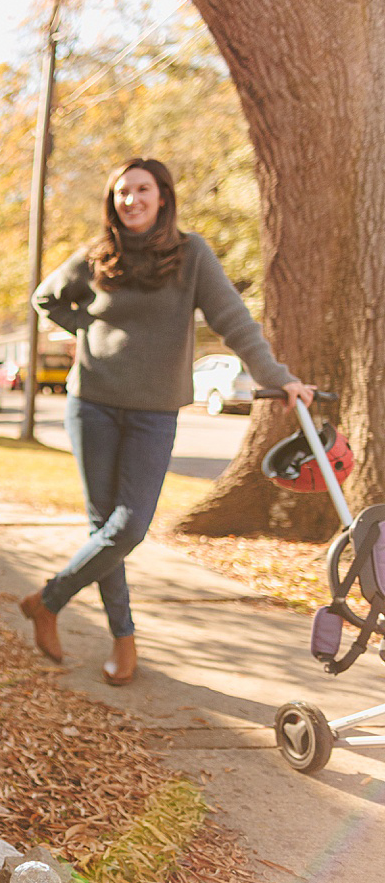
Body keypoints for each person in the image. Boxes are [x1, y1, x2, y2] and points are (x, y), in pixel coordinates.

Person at [22, 157, 314, 686]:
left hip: (154, 412)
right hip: (93, 404)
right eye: (122, 192)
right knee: (102, 526)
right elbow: (45, 297)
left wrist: (278, 376)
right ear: (113, 201)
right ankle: (123, 639)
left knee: (128, 527)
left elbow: (233, 320)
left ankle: (49, 599)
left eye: (142, 190)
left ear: (163, 197)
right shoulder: (97, 256)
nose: (131, 200)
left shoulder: (190, 254)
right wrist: (85, 328)